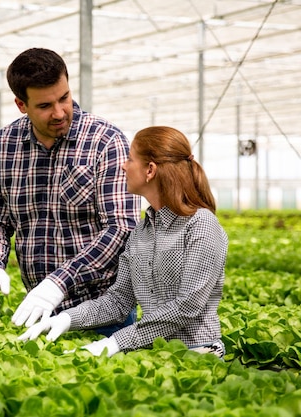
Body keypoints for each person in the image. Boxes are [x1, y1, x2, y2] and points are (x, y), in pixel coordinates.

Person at [18, 126, 228, 359]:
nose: (123, 165)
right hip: (153, 353)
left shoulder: (201, 224)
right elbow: (118, 300)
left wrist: (116, 342)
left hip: (198, 352)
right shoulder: (141, 231)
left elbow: (187, 306)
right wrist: (67, 319)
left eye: (130, 159)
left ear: (150, 170)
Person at [0, 47, 141, 332]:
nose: (60, 112)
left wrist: (58, 282)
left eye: (64, 98)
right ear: (21, 105)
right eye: (45, 106)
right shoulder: (4, 146)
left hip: (102, 312)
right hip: (37, 309)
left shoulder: (105, 141)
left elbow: (121, 227)